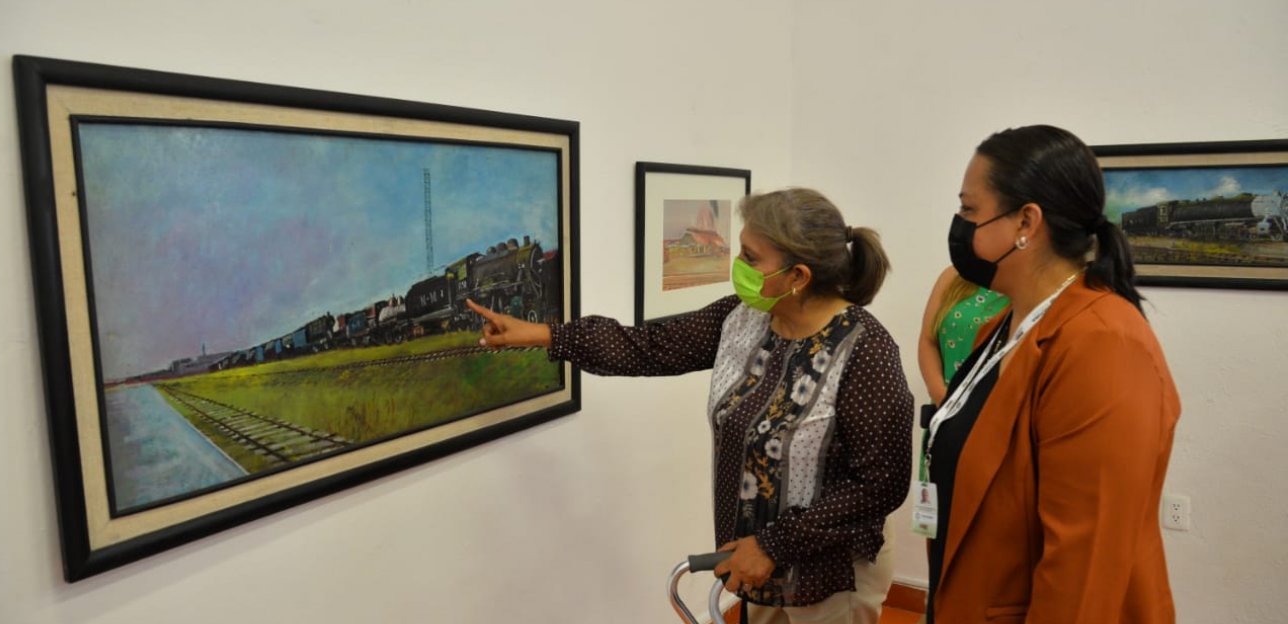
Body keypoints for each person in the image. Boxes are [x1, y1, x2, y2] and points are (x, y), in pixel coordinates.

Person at [468, 188, 914, 624]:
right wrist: (545, 335)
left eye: (751, 258)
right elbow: (648, 347)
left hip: (829, 573)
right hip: (753, 560)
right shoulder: (741, 318)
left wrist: (774, 545)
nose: (737, 267)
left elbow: (881, 483)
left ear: (798, 276)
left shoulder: (866, 350)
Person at [922, 125, 1180, 623]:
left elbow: (1084, 567)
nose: (958, 224)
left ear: (1026, 221)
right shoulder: (1003, 327)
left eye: (969, 210)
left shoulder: (1103, 343)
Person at [916, 267, 1007, 407]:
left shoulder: (1036, 287)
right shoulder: (954, 275)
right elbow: (929, 340)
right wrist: (941, 396)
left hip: (997, 412)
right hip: (945, 411)